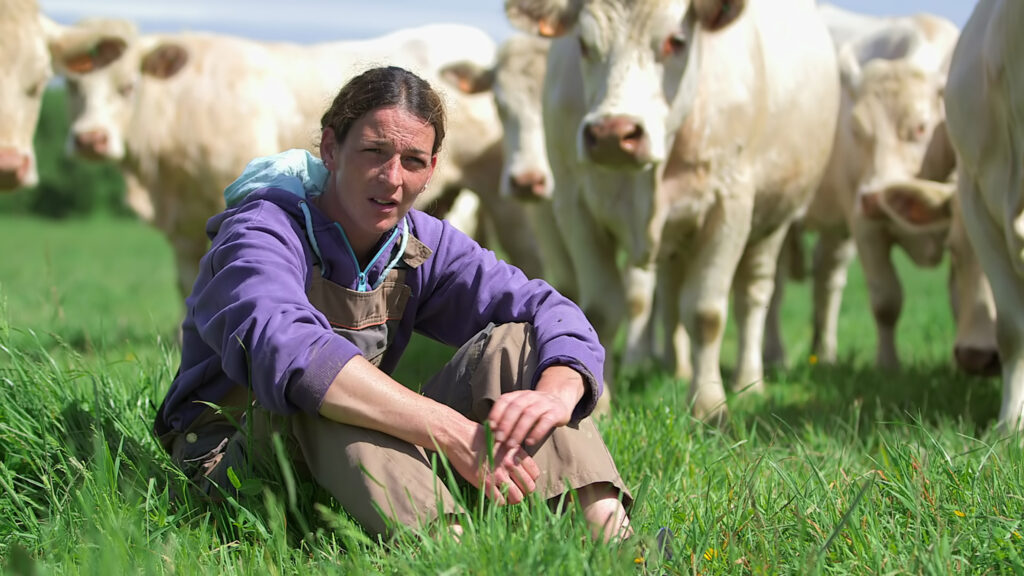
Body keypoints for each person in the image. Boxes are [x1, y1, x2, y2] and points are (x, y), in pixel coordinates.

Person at [152, 65, 632, 542]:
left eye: (413, 161)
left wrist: (553, 396)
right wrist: (451, 432)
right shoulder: (263, 231)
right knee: (323, 393)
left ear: (433, 170)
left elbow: (548, 307)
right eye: (373, 152)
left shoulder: (419, 243)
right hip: (232, 469)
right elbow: (288, 350)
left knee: (519, 342)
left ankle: (613, 546)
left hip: (353, 461)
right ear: (330, 149)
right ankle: (456, 556)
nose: (391, 178)